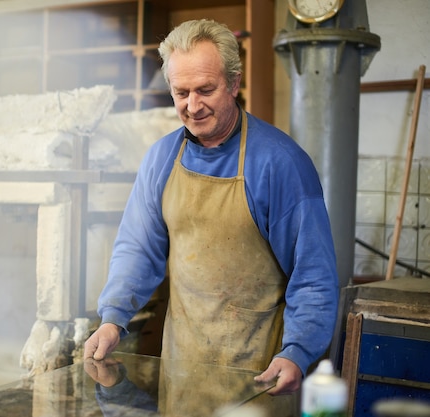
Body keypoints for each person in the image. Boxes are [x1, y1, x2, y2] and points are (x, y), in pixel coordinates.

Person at [83, 19, 339, 396]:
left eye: (206, 89)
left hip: (261, 376)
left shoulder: (279, 163)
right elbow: (138, 248)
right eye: (181, 92)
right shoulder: (161, 159)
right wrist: (113, 319)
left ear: (234, 84)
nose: (193, 105)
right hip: (183, 372)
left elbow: (314, 275)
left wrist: (297, 353)